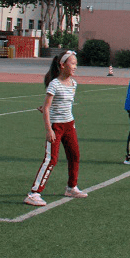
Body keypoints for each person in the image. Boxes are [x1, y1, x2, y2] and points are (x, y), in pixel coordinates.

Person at [25, 50, 86, 206]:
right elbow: (46, 108)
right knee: (51, 159)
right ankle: (34, 193)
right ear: (62, 65)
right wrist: (49, 129)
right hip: (56, 126)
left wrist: (71, 124)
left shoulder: (74, 83)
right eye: (72, 63)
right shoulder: (54, 84)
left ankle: (71, 187)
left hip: (69, 125)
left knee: (75, 155)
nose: (75, 67)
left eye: (76, 64)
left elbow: (64, 106)